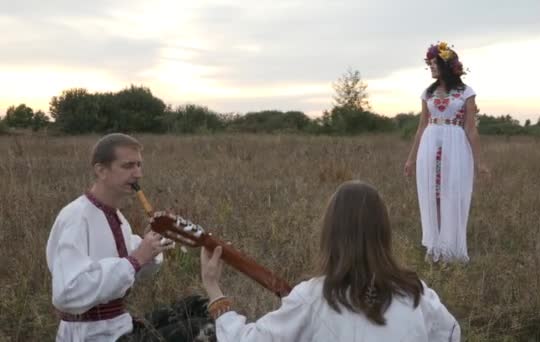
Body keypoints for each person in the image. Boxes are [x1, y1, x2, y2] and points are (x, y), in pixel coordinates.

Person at [200, 180, 461, 341]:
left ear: (331, 234)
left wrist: (214, 288)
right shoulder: (419, 295)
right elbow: (450, 334)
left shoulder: (311, 298)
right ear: (383, 233)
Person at [46, 133, 214, 341]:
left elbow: (136, 270)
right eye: (128, 166)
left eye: (139, 165)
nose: (138, 174)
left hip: (119, 326)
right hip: (92, 335)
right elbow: (67, 294)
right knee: (205, 330)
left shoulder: (116, 217)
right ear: (101, 171)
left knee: (204, 307)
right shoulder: (76, 218)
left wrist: (152, 246)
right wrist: (135, 259)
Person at [404, 42, 489, 263]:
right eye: (429, 64)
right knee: (433, 195)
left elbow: (471, 128)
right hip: (429, 146)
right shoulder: (427, 93)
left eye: (435, 63)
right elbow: (421, 126)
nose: (431, 67)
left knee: (452, 193)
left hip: (456, 145)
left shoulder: (465, 92)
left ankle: (452, 250)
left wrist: (480, 162)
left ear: (448, 65)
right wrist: (411, 158)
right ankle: (435, 248)